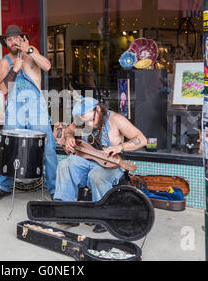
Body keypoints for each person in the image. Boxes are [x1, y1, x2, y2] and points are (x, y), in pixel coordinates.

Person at [54, 96, 146, 233]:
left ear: (97, 109)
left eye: (92, 120)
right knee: (65, 165)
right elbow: (68, 130)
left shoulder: (116, 120)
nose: (89, 125)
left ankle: (103, 216)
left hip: (111, 165)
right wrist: (68, 137)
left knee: (96, 175)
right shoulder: (83, 118)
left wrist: (119, 147)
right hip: (88, 160)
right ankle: (67, 212)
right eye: (86, 122)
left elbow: (142, 139)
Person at [0, 25, 58, 201]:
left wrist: (30, 50)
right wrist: (15, 68)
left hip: (36, 109)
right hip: (15, 110)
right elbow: (2, 88)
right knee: (8, 147)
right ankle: (3, 186)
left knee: (48, 148)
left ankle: (55, 188)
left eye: (16, 38)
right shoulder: (4, 62)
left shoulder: (32, 55)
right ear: (6, 42)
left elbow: (47, 66)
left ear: (22, 38)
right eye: (9, 39)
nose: (13, 41)